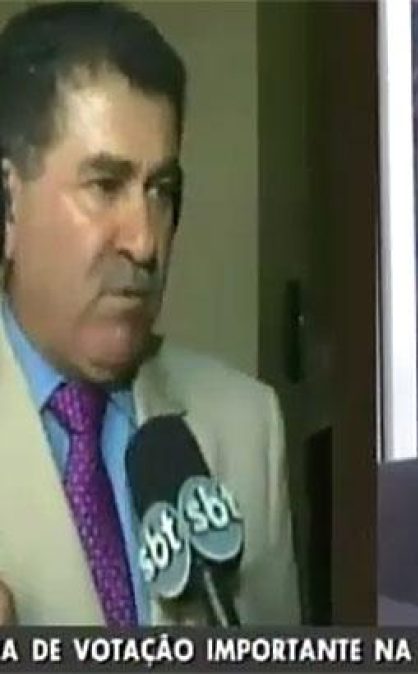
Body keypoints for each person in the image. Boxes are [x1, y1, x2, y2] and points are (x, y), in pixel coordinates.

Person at [0, 1, 299, 625]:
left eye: (161, 191)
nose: (144, 242)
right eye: (104, 185)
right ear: (7, 206)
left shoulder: (246, 425)